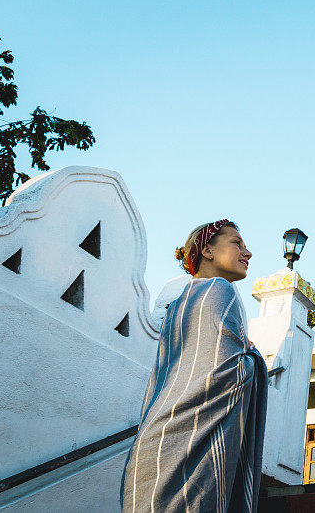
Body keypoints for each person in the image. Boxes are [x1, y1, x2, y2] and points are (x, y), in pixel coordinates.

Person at [121, 219, 267, 513]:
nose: (247, 252)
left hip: (154, 448)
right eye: (237, 243)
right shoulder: (219, 290)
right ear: (208, 251)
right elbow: (225, 373)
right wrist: (253, 358)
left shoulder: (178, 304)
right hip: (188, 454)